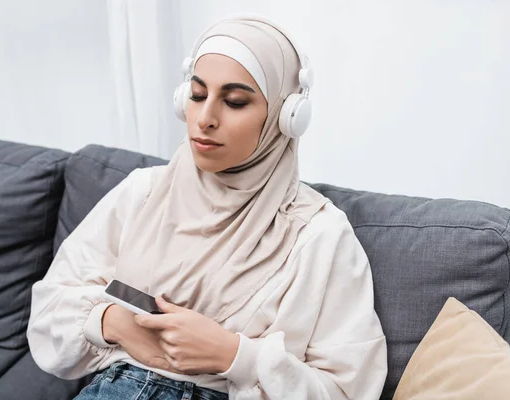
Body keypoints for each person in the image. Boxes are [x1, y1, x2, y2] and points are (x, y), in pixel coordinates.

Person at [27, 14, 387, 400]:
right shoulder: (143, 193)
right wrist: (112, 321)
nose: (205, 119)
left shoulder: (318, 234)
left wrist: (236, 356)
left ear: (286, 117)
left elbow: (347, 390)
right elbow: (49, 309)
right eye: (197, 96)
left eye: (234, 102)